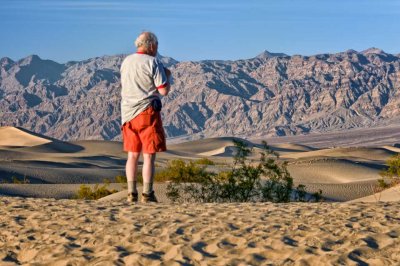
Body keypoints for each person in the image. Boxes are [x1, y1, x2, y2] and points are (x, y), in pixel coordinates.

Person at [120, 31, 171, 203]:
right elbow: (163, 90)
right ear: (150, 45)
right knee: (148, 155)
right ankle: (148, 194)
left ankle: (131, 193)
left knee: (132, 155)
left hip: (127, 114)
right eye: (156, 44)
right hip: (148, 112)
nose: (157, 48)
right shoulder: (153, 62)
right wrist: (168, 76)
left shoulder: (126, 62)